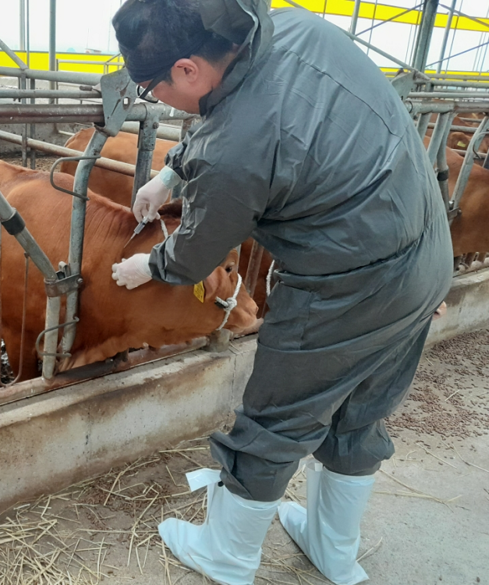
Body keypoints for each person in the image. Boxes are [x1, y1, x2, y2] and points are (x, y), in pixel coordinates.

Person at [110, 1, 453, 584]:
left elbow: (197, 250)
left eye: (149, 87)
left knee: (274, 421)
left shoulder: (236, 151)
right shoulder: (289, 25)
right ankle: (333, 549)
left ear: (188, 70)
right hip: (425, 259)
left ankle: (228, 555)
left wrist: (152, 265)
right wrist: (173, 168)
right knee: (357, 413)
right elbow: (243, 110)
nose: (154, 98)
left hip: (347, 285)